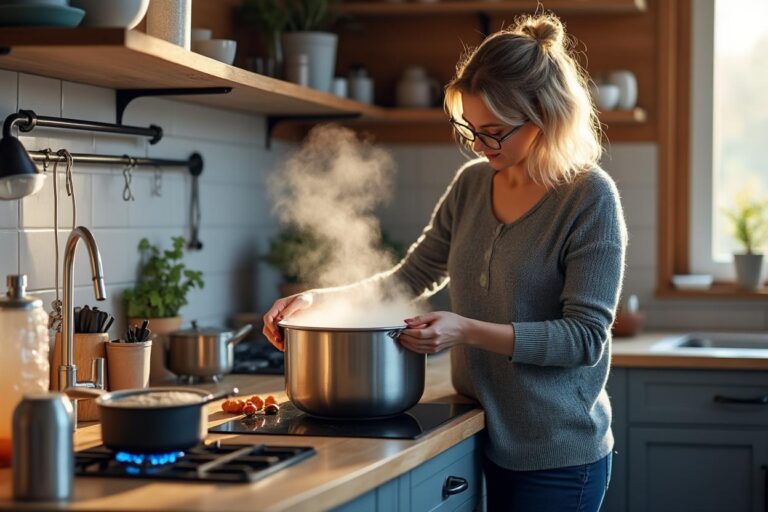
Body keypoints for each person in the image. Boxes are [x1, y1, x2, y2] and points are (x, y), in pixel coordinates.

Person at [263, 13, 626, 512]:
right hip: (482, 431)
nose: (479, 145)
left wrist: (465, 330)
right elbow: (410, 277)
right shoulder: (473, 184)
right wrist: (317, 299)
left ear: (546, 115)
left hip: (558, 455)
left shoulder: (589, 198)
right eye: (470, 128)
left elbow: (585, 338)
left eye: (495, 131)